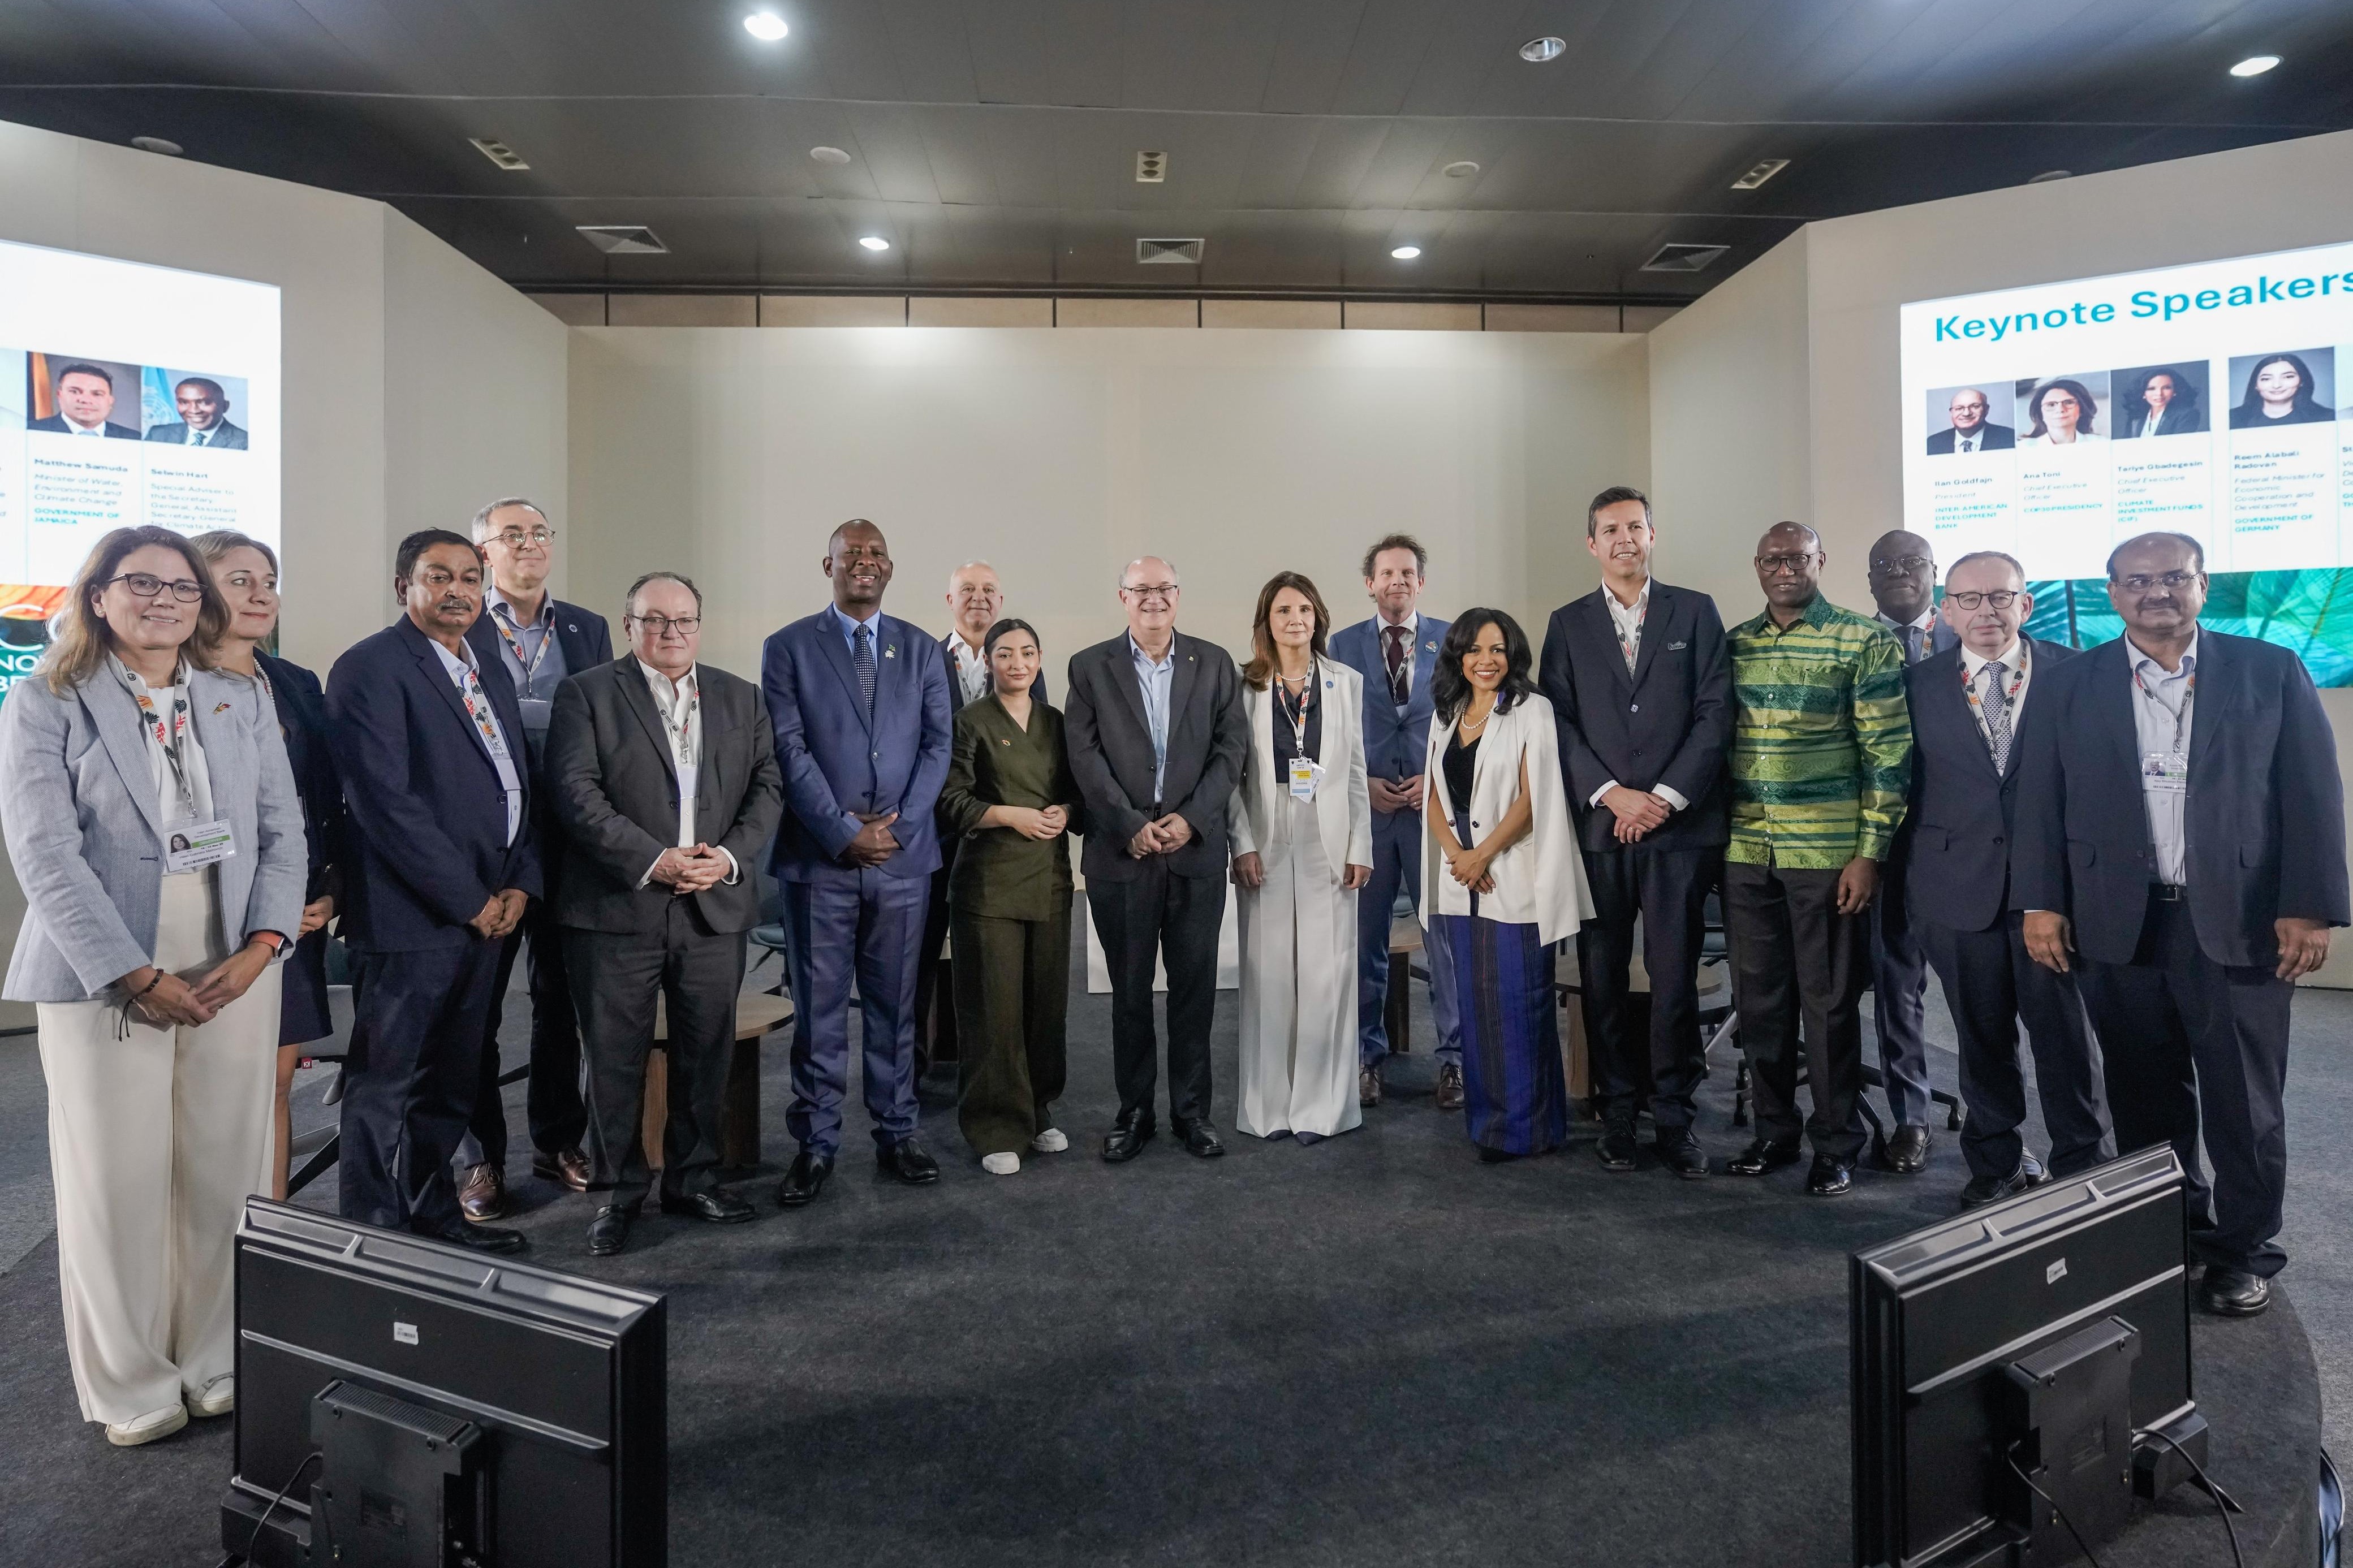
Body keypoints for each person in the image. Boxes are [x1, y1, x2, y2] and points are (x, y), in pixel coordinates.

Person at [0, 526, 303, 1445]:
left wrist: (263, 947)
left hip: (232, 961)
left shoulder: (235, 696)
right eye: (142, 583)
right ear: (98, 594)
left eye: (180, 587)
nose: (165, 600)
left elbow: (282, 829)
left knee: (223, 1168)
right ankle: (131, 1379)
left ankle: (214, 1355)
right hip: (106, 969)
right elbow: (44, 853)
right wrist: (132, 972)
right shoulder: (45, 699)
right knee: (118, 1177)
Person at [2018, 532, 2346, 1317]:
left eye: (2174, 578)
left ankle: (2245, 1250)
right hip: (2118, 927)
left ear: (2203, 585)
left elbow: (2312, 797)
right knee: (2143, 1099)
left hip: (2238, 924)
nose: (2155, 593)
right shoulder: (2073, 684)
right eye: (2137, 581)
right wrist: (2041, 901)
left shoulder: (2270, 671)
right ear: (2113, 592)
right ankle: (2171, 1234)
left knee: (2245, 1104)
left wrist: (2309, 907)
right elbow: (2040, 800)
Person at [545, 572, 782, 1255]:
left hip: (712, 902)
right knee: (614, 1058)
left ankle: (693, 1178)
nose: (670, 633)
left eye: (682, 621)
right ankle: (617, 1193)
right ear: (629, 626)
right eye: (654, 620)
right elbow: (575, 792)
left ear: (700, 626)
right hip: (619, 904)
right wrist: (654, 859)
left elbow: (767, 788)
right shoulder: (586, 693)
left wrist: (729, 858)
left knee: (705, 1052)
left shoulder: (741, 697)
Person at [327, 529, 537, 1255]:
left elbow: (518, 783)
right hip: (416, 917)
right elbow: (385, 803)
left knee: (452, 1081)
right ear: (402, 587)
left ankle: (434, 1224)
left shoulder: (487, 666)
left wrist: (517, 884)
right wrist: (470, 900)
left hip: (490, 911)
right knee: (387, 1086)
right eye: (438, 576)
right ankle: (373, 1242)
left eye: (470, 577)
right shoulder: (369, 668)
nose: (458, 590)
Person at [1903, 552, 2108, 1208]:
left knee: (2064, 1042)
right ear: (1944, 610)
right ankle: (1995, 1161)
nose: (1984, 612)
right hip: (1954, 890)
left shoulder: (2076, 673)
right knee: (1979, 1036)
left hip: (2053, 894)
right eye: (1967, 599)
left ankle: (2083, 1166)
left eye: (1999, 598)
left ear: (2025, 605)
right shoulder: (1917, 683)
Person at [1538, 486, 1731, 1178]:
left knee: (1674, 977)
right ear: (1591, 544)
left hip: (1679, 830)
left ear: (1653, 536)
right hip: (1600, 828)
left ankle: (1675, 1116)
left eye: (1635, 527)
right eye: (1609, 529)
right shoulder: (1567, 623)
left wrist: (1663, 798)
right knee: (1601, 975)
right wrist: (1611, 794)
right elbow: (1554, 721)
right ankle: (1617, 1112)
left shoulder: (1695, 610)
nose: (1624, 538)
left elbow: (1714, 713)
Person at [763, 519, 953, 1207]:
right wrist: (843, 831)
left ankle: (896, 1131)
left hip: (903, 859)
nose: (864, 564)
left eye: (875, 555)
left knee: (895, 1007)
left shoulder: (924, 649)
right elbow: (787, 749)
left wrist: (896, 828)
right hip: (822, 861)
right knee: (816, 1012)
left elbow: (939, 748)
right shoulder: (787, 647)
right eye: (852, 556)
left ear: (890, 568)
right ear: (828, 565)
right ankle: (815, 1145)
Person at [1722, 522, 1912, 1197]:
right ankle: (1773, 1132)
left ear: (1819, 562)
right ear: (1756, 565)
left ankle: (1836, 1144)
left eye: (1797, 558)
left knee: (1827, 1002)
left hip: (1827, 855)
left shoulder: (1863, 640)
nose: (1784, 569)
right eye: (1772, 558)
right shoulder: (1735, 644)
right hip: (1747, 849)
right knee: (1760, 1001)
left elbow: (1887, 755)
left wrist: (1869, 853)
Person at [456, 497, 613, 1223]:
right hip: (488, 850)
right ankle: (478, 1157)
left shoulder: (586, 627)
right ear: (484, 551)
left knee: (561, 1007)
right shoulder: (460, 625)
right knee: (477, 1012)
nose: (528, 545)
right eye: (510, 535)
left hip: (569, 847)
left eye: (539, 533)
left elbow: (605, 730)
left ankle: (557, 1142)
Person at [1065, 556, 1249, 1162]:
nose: (1153, 599)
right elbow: (1083, 759)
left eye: (1163, 588)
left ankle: (1192, 1113)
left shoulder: (1214, 662)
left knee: (1195, 993)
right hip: (1121, 857)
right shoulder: (1090, 666)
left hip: (1194, 852)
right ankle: (1134, 1112)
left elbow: (1231, 753)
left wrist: (1189, 819)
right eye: (1140, 590)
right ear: (1121, 596)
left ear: (1178, 594)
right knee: (1129, 994)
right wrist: (1129, 825)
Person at [193, 530, 344, 1201]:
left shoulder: (296, 683)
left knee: (275, 1084)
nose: (261, 595)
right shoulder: (174, 681)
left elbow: (324, 801)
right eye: (239, 581)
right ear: (197, 592)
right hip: (210, 920)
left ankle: (271, 1233)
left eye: (268, 580)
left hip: (298, 920)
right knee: (209, 1089)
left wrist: (329, 891)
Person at [1423, 611, 1589, 1161]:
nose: (1485, 660)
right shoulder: (1446, 713)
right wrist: (1456, 857)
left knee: (1519, 1007)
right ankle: (1490, 1123)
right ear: (1457, 657)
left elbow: (1532, 797)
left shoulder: (1530, 710)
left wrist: (1481, 855)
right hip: (1461, 882)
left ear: (1512, 654)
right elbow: (1431, 796)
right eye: (1473, 650)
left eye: (1497, 649)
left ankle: (1526, 1129)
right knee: (1477, 1011)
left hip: (1511, 875)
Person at [937, 617, 1085, 1174]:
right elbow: (949, 799)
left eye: (1026, 652)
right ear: (988, 663)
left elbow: (1079, 793)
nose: (1016, 663)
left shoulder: (1056, 722)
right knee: (993, 1007)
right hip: (989, 882)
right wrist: (1007, 815)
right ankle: (994, 1124)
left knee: (1044, 1005)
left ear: (1040, 658)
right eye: (1004, 654)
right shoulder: (969, 722)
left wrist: (1065, 812)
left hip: (1049, 878)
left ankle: (1037, 1108)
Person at [1230, 573, 1373, 1142]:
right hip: (1267, 829)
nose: (1295, 619)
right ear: (1266, 619)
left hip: (1327, 830)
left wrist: (1359, 842)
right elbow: (1233, 777)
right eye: (1284, 610)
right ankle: (1268, 1109)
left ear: (1318, 618)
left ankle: (1322, 1108)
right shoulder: (1243, 686)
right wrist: (1239, 842)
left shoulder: (1344, 682)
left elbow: (1357, 770)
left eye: (1305, 610)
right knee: (1267, 972)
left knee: (1328, 970)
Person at [1328, 535, 1461, 1109]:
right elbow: (1330, 730)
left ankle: (1454, 1061)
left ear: (1420, 582)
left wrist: (1433, 782)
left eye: (1407, 572)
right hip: (1370, 812)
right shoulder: (1340, 644)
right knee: (1365, 944)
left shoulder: (1452, 640)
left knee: (1445, 944)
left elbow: (1465, 721)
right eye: (1386, 573)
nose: (1397, 581)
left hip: (1430, 812)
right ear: (1369, 582)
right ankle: (1365, 1057)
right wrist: (1364, 786)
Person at [916, 561, 1050, 1074]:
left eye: (989, 590)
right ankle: (912, 1073)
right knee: (920, 959)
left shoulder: (1022, 660)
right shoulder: (921, 657)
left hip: (1001, 838)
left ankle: (987, 1071)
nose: (979, 597)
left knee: (994, 968)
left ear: (1001, 599)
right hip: (933, 832)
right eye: (967, 589)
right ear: (949, 600)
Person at [1863, 529, 1956, 1173]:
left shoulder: (1972, 634)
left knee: (1983, 993)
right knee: (1896, 985)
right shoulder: (1849, 642)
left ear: (1934, 572)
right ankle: (1910, 1117)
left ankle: (1997, 1125)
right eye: (1884, 565)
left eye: (1911, 562)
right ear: (1868, 579)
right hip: (1882, 844)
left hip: (1965, 846)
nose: (1898, 572)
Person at [29, 362, 142, 439]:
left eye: (97, 394)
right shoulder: (31, 430)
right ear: (60, 395)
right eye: (75, 392)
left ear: (110, 401)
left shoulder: (134, 438)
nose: (86, 400)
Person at [2228, 352, 2335, 428]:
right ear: (2255, 385)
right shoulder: (2232, 419)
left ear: (2301, 381)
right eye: (2266, 379)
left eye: (2288, 377)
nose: (2277, 385)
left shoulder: (2327, 417)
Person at [144, 378, 249, 449]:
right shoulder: (157, 434)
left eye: (205, 403)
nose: (194, 410)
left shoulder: (245, 442)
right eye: (184, 402)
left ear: (225, 406)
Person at [2117, 368, 2206, 438]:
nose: (2159, 394)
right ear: (2143, 393)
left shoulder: (2187, 415)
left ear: (2175, 391)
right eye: (2151, 389)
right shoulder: (2136, 419)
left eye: (2166, 388)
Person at [1925, 388, 2014, 455]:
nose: (1967, 413)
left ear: (1986, 410)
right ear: (1951, 413)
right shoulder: (1932, 443)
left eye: (1975, 406)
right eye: (1959, 408)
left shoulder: (2009, 438)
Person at [2020, 379, 2106, 445]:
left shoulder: (2102, 443)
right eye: (2051, 405)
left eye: (2069, 403)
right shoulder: (2023, 447)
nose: (2061, 410)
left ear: (2082, 410)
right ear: (2040, 413)